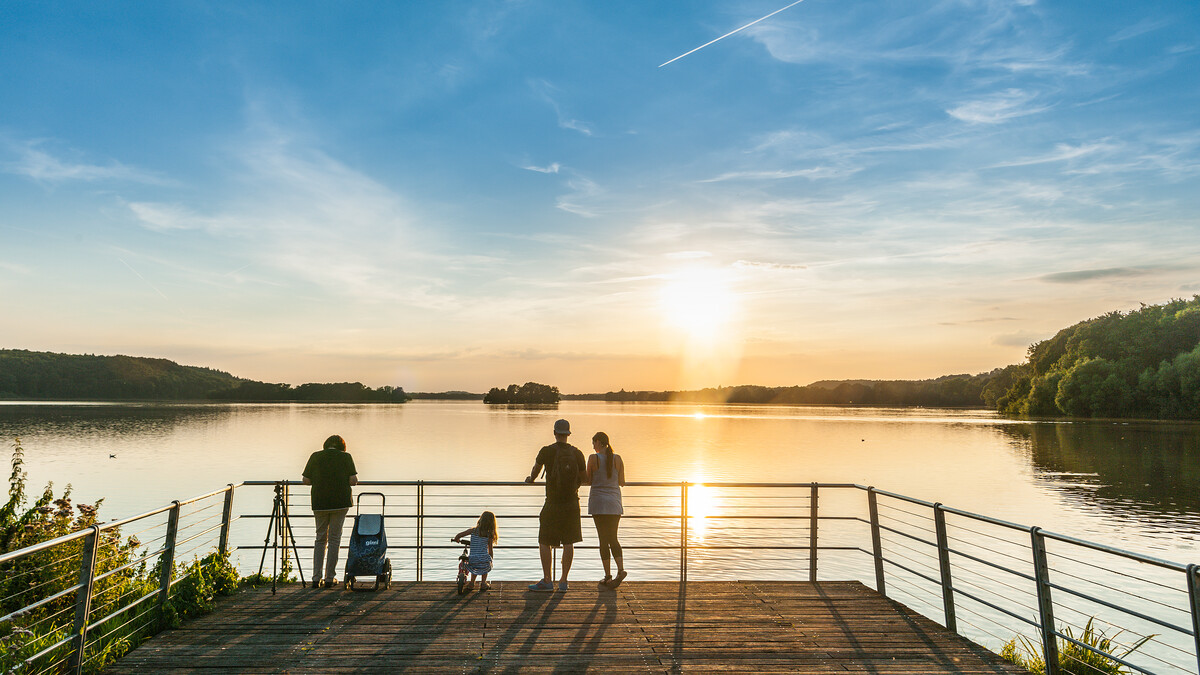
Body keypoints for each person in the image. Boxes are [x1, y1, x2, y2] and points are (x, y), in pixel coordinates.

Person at [524, 418, 586, 592]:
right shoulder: (577, 453)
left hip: (552, 503)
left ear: (554, 433)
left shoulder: (546, 451)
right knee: (569, 542)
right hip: (572, 504)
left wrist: (531, 479)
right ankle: (564, 581)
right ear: (568, 434)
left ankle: (547, 580)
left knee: (544, 540)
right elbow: (585, 477)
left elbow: (535, 470)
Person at [302, 434, 358, 589]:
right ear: (342, 446)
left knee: (320, 539)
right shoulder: (346, 457)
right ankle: (329, 577)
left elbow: (305, 480)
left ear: (326, 445)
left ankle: (315, 577)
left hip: (320, 503)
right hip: (340, 503)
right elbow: (353, 481)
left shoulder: (315, 456)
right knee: (334, 540)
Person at [586, 431, 627, 588]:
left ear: (598, 442)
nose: (593, 446)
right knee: (613, 538)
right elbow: (622, 481)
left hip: (598, 503)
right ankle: (621, 569)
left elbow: (589, 480)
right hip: (614, 503)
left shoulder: (593, 458)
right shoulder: (617, 459)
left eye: (593, 443)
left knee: (603, 540)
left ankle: (608, 576)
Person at [453, 510, 498, 591]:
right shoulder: (489, 535)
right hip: (483, 559)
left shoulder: (473, 531)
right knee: (485, 563)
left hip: (472, 559)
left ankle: (472, 583)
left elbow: (459, 535)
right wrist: (490, 559)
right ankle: (483, 583)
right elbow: (490, 550)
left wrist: (457, 539)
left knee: (475, 567)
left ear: (480, 520)